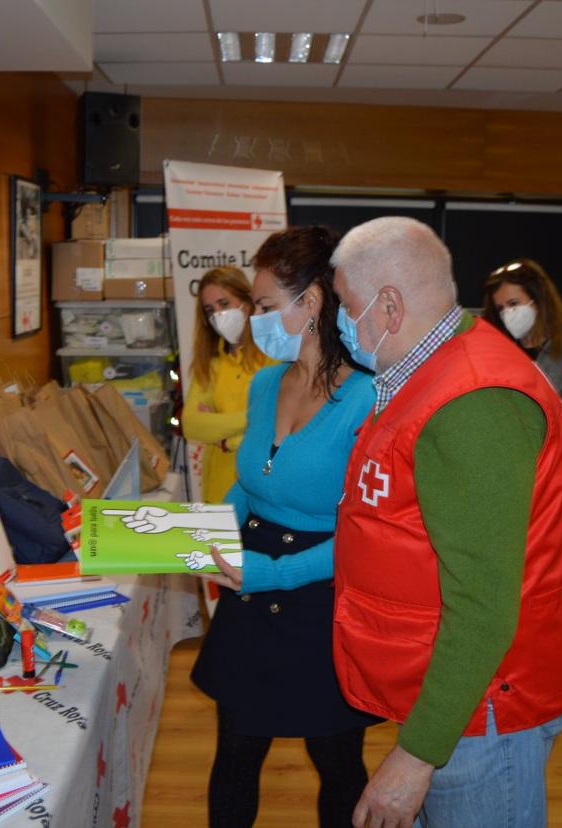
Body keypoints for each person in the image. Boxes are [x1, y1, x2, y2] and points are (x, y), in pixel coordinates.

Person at [328, 216, 562, 828]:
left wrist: (417, 755)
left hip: (484, 709)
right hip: (450, 696)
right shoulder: (429, 368)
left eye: (344, 304)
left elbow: (486, 604)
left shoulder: (473, 402)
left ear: (389, 305)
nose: (338, 321)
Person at [189, 226, 380, 828]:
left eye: (267, 307)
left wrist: (274, 572)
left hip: (323, 593)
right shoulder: (267, 383)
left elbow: (370, 531)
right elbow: (250, 483)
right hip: (251, 590)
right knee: (236, 756)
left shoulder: (369, 399)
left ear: (314, 301)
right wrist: (206, 530)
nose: (255, 320)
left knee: (338, 762)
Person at [482, 258, 562, 450]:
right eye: (500, 308)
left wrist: (539, 457)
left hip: (552, 462)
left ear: (539, 301)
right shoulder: (496, 352)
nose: (507, 313)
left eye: (513, 303)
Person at [181, 266, 274, 504]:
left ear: (247, 301)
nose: (218, 315)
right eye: (210, 309)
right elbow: (191, 425)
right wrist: (253, 418)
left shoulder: (274, 356)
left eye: (224, 303)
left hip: (263, 490)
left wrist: (224, 438)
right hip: (218, 490)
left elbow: (280, 424)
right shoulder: (209, 364)